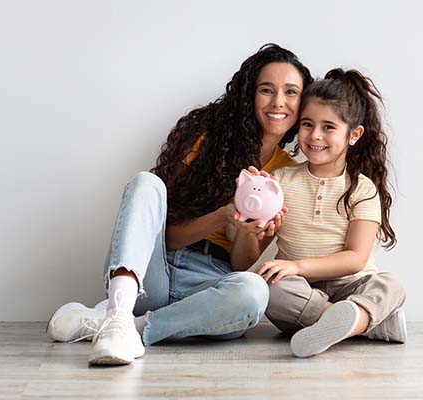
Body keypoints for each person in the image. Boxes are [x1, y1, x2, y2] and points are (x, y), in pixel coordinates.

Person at [46, 43, 313, 365]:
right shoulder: (208, 137)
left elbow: (241, 265)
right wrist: (223, 215)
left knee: (254, 290)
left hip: (207, 286)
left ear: (302, 103)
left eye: (291, 92)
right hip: (153, 272)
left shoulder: (288, 176)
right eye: (266, 90)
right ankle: (118, 309)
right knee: (147, 183)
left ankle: (124, 327)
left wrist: (244, 230)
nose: (278, 102)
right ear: (248, 95)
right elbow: (168, 237)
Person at [232, 69, 406, 358]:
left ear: (354, 134)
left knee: (391, 284)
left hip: (351, 286)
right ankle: (363, 324)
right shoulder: (279, 181)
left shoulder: (362, 188)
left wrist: (298, 265)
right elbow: (242, 262)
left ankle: (343, 320)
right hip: (299, 292)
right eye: (307, 124)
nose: (315, 136)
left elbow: (355, 258)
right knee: (265, 287)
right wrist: (246, 228)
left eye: (328, 127)